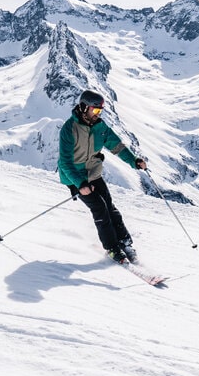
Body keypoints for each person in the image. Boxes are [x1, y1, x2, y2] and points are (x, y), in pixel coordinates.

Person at [58, 89, 148, 263]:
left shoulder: (100, 127)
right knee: (99, 208)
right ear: (84, 108)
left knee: (110, 207)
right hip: (74, 176)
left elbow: (117, 147)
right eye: (95, 110)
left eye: (100, 111)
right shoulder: (69, 129)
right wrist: (80, 184)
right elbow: (65, 163)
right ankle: (112, 248)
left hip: (93, 173)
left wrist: (134, 161)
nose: (98, 114)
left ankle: (125, 242)